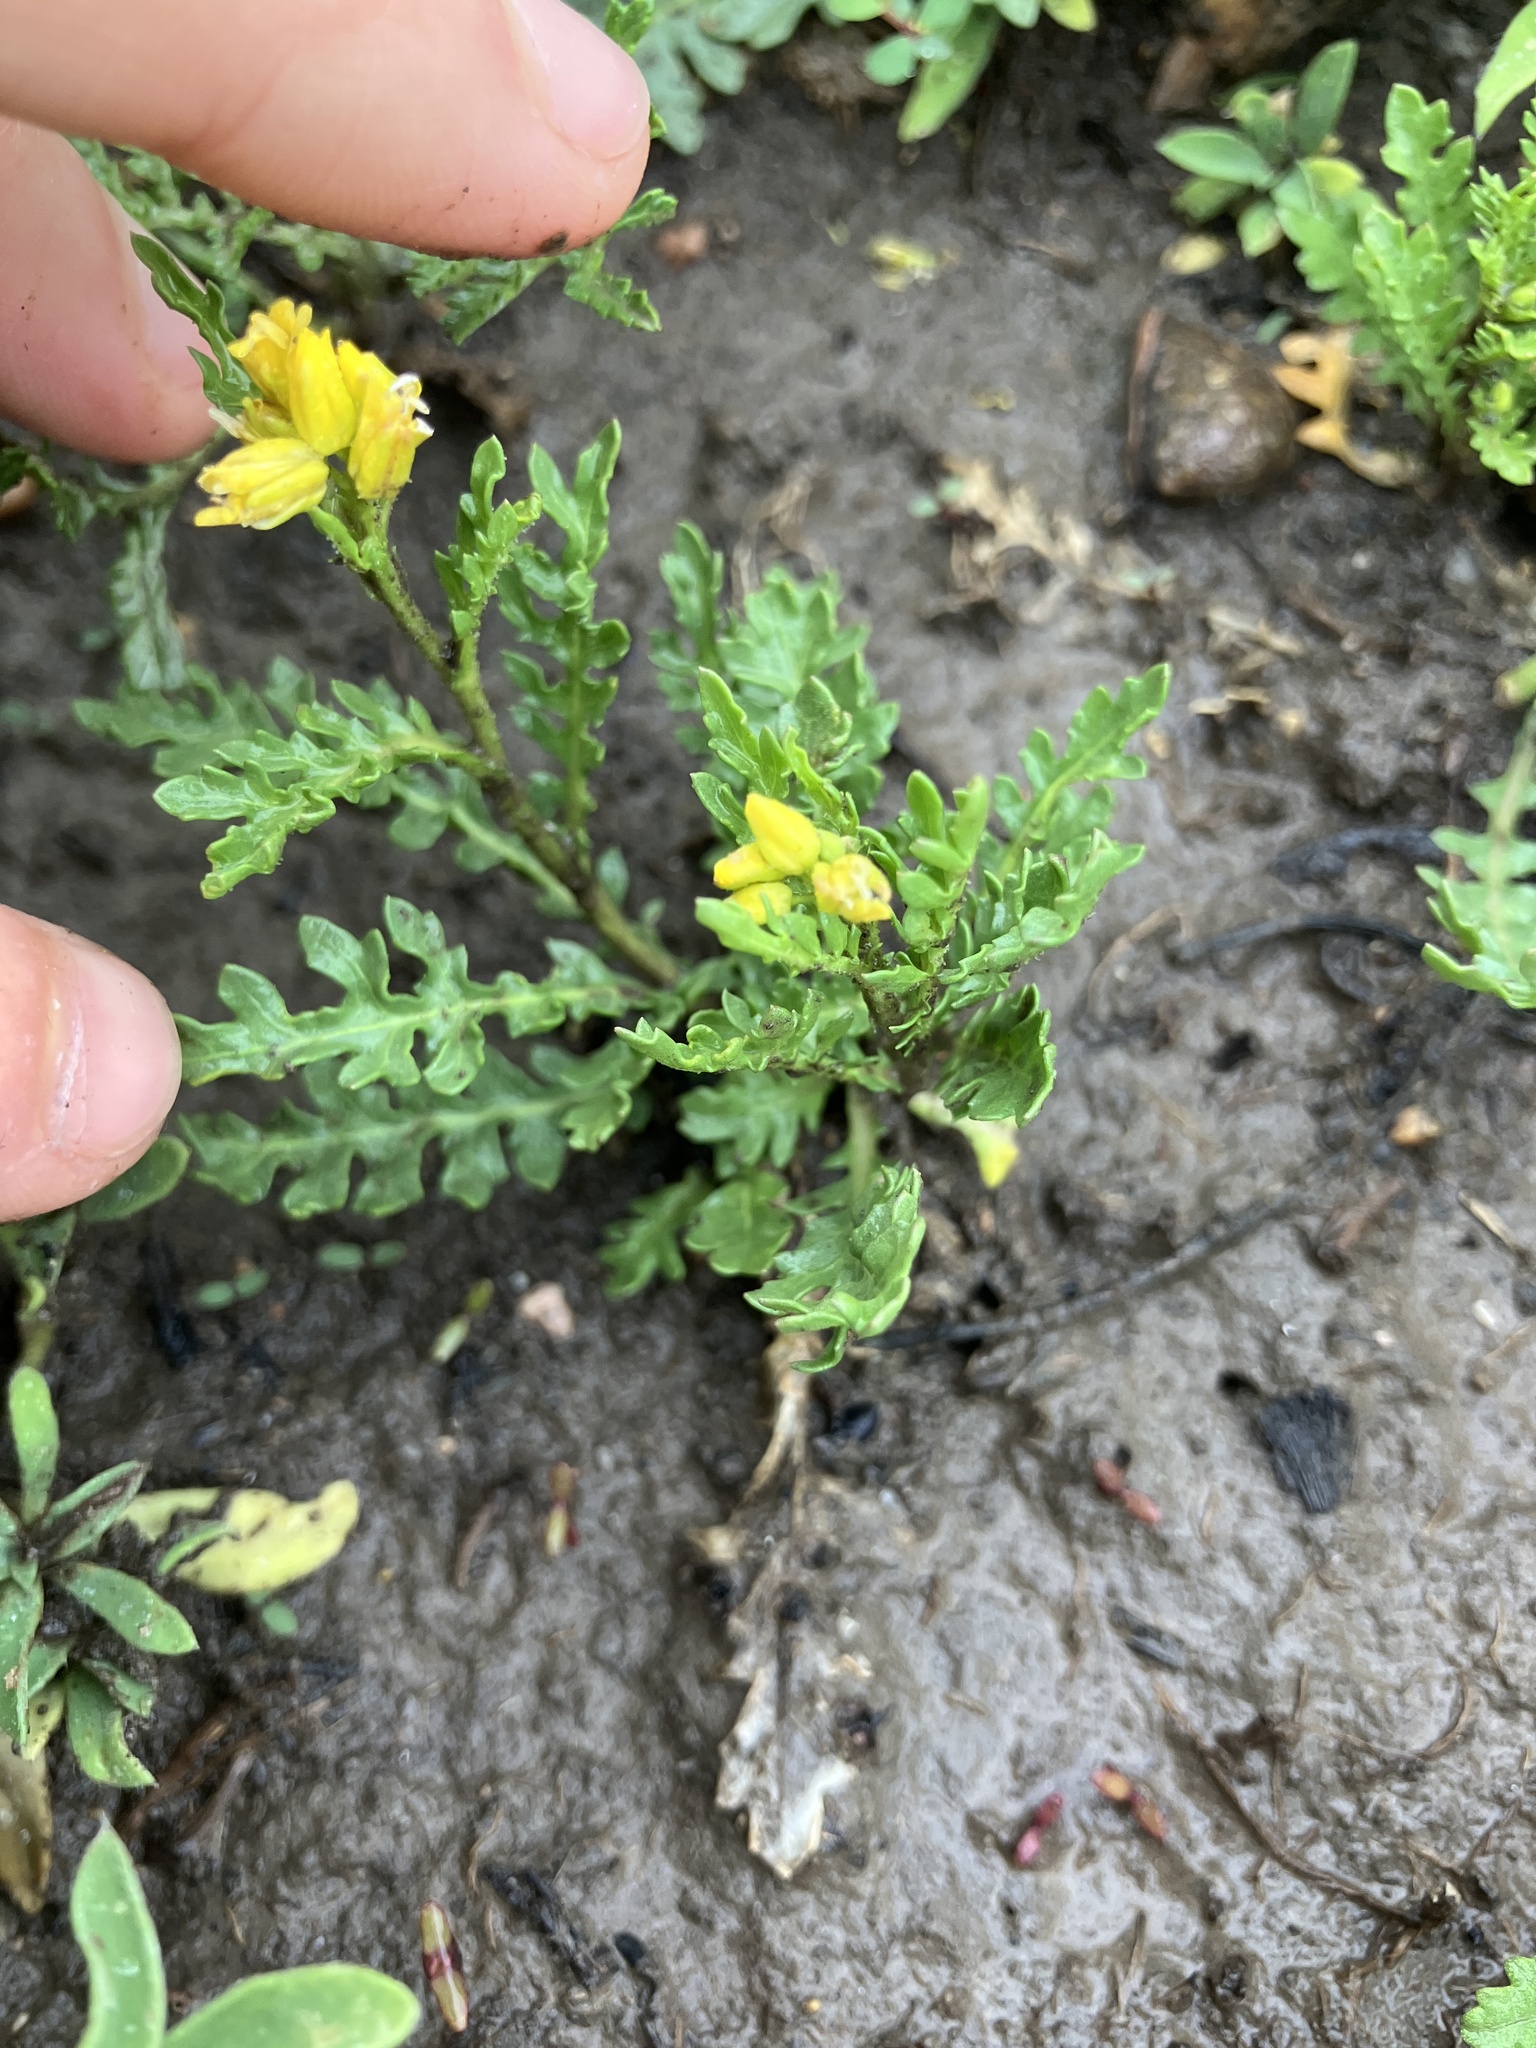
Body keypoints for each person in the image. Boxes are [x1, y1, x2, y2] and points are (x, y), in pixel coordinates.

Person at [0, 0, 651, 1223]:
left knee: (466, 705)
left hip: (338, 459)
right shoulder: (308, 458)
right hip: (329, 459)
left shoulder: (334, 451)